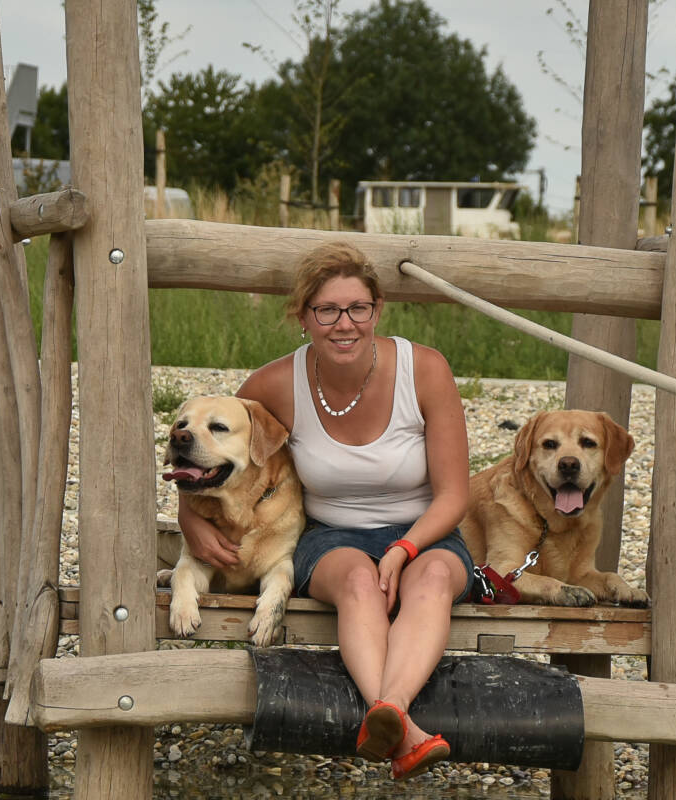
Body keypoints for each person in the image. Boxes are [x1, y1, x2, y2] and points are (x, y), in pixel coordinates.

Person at [178, 241, 474, 780]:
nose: (345, 324)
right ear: (304, 317)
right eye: (327, 311)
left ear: (377, 310)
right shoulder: (272, 384)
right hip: (330, 535)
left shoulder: (424, 369)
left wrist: (405, 549)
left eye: (357, 308)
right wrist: (189, 517)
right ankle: (404, 729)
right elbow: (213, 458)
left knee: (430, 579)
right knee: (360, 583)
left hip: (426, 533)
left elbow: (455, 494)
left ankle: (390, 713)